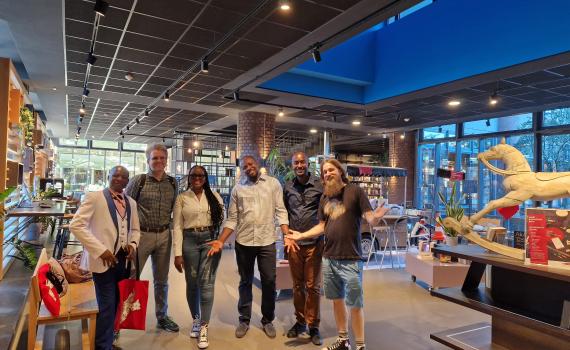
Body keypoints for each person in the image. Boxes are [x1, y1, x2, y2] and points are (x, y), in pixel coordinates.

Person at [288, 159, 389, 350]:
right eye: (324, 172)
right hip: (329, 259)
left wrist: (376, 216)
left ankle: (360, 345)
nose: (327, 174)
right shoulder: (325, 197)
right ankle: (343, 340)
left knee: (355, 304)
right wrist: (301, 235)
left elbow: (370, 218)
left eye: (331, 170)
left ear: (340, 171)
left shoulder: (355, 191)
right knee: (336, 301)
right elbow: (321, 226)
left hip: (351, 259)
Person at [207, 155, 289, 339]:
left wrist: (287, 234)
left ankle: (267, 319)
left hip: (267, 241)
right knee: (245, 281)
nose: (248, 167)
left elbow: (281, 211)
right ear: (241, 169)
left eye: (251, 164)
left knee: (269, 281)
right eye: (245, 166)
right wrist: (221, 240)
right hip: (243, 242)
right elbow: (232, 219)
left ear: (258, 165)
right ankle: (244, 319)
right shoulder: (237, 189)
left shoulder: (273, 184)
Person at [70, 166, 140, 350]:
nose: (118, 178)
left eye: (123, 176)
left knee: (117, 303)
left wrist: (133, 245)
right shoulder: (94, 198)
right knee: (107, 306)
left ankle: (107, 341)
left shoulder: (131, 202)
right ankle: (102, 346)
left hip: (123, 262)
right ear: (108, 176)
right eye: (115, 175)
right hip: (102, 261)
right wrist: (100, 250)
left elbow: (135, 230)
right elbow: (76, 226)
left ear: (127, 181)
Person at [125, 143, 179, 332]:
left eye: (162, 158)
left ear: (166, 160)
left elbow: (175, 209)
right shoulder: (138, 181)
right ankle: (122, 318)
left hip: (164, 235)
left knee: (162, 280)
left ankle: (162, 317)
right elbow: (126, 210)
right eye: (155, 158)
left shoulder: (173, 183)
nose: (158, 161)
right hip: (142, 235)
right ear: (148, 160)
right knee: (131, 277)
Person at [173, 165, 225, 349]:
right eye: (193, 175)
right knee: (192, 282)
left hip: (209, 241)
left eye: (200, 175)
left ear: (205, 177)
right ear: (189, 177)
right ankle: (195, 318)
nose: (197, 178)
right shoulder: (182, 198)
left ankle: (204, 326)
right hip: (189, 242)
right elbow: (177, 226)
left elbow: (223, 220)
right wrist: (177, 254)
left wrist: (219, 241)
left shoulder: (214, 196)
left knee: (207, 284)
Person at [283, 151, 324, 345]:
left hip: (314, 244)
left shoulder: (319, 185)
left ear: (308, 164)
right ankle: (300, 322)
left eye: (302, 162)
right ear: (292, 165)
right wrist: (286, 237)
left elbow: (326, 213)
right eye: (296, 163)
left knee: (313, 287)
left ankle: (313, 326)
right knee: (297, 286)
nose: (299, 165)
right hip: (294, 246)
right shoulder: (288, 186)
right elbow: (283, 213)